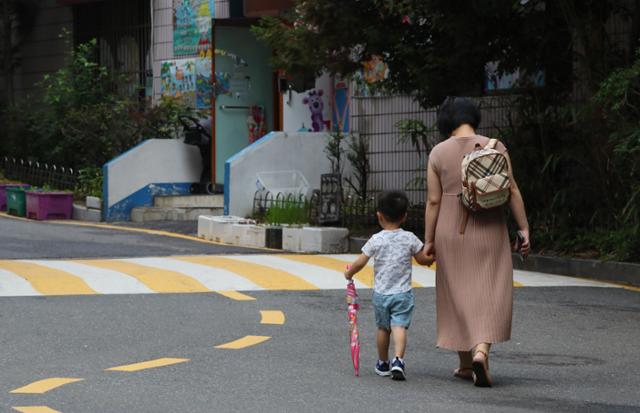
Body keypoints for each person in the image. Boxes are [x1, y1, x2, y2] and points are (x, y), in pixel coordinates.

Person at [423, 96, 531, 387]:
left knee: (456, 293)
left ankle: (463, 364)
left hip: (450, 230)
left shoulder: (438, 153)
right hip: (491, 226)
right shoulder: (495, 146)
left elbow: (434, 201)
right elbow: (513, 191)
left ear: (447, 122)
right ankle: (481, 351)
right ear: (474, 117)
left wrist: (428, 240)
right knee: (490, 289)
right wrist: (524, 229)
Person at [344, 191, 434, 380]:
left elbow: (360, 262)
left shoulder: (376, 239)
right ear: (405, 216)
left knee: (383, 328)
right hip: (402, 293)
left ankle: (383, 363)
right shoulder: (409, 238)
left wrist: (349, 273)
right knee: (399, 327)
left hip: (381, 294)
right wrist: (432, 257)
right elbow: (422, 259)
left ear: (379, 216)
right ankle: (398, 360)